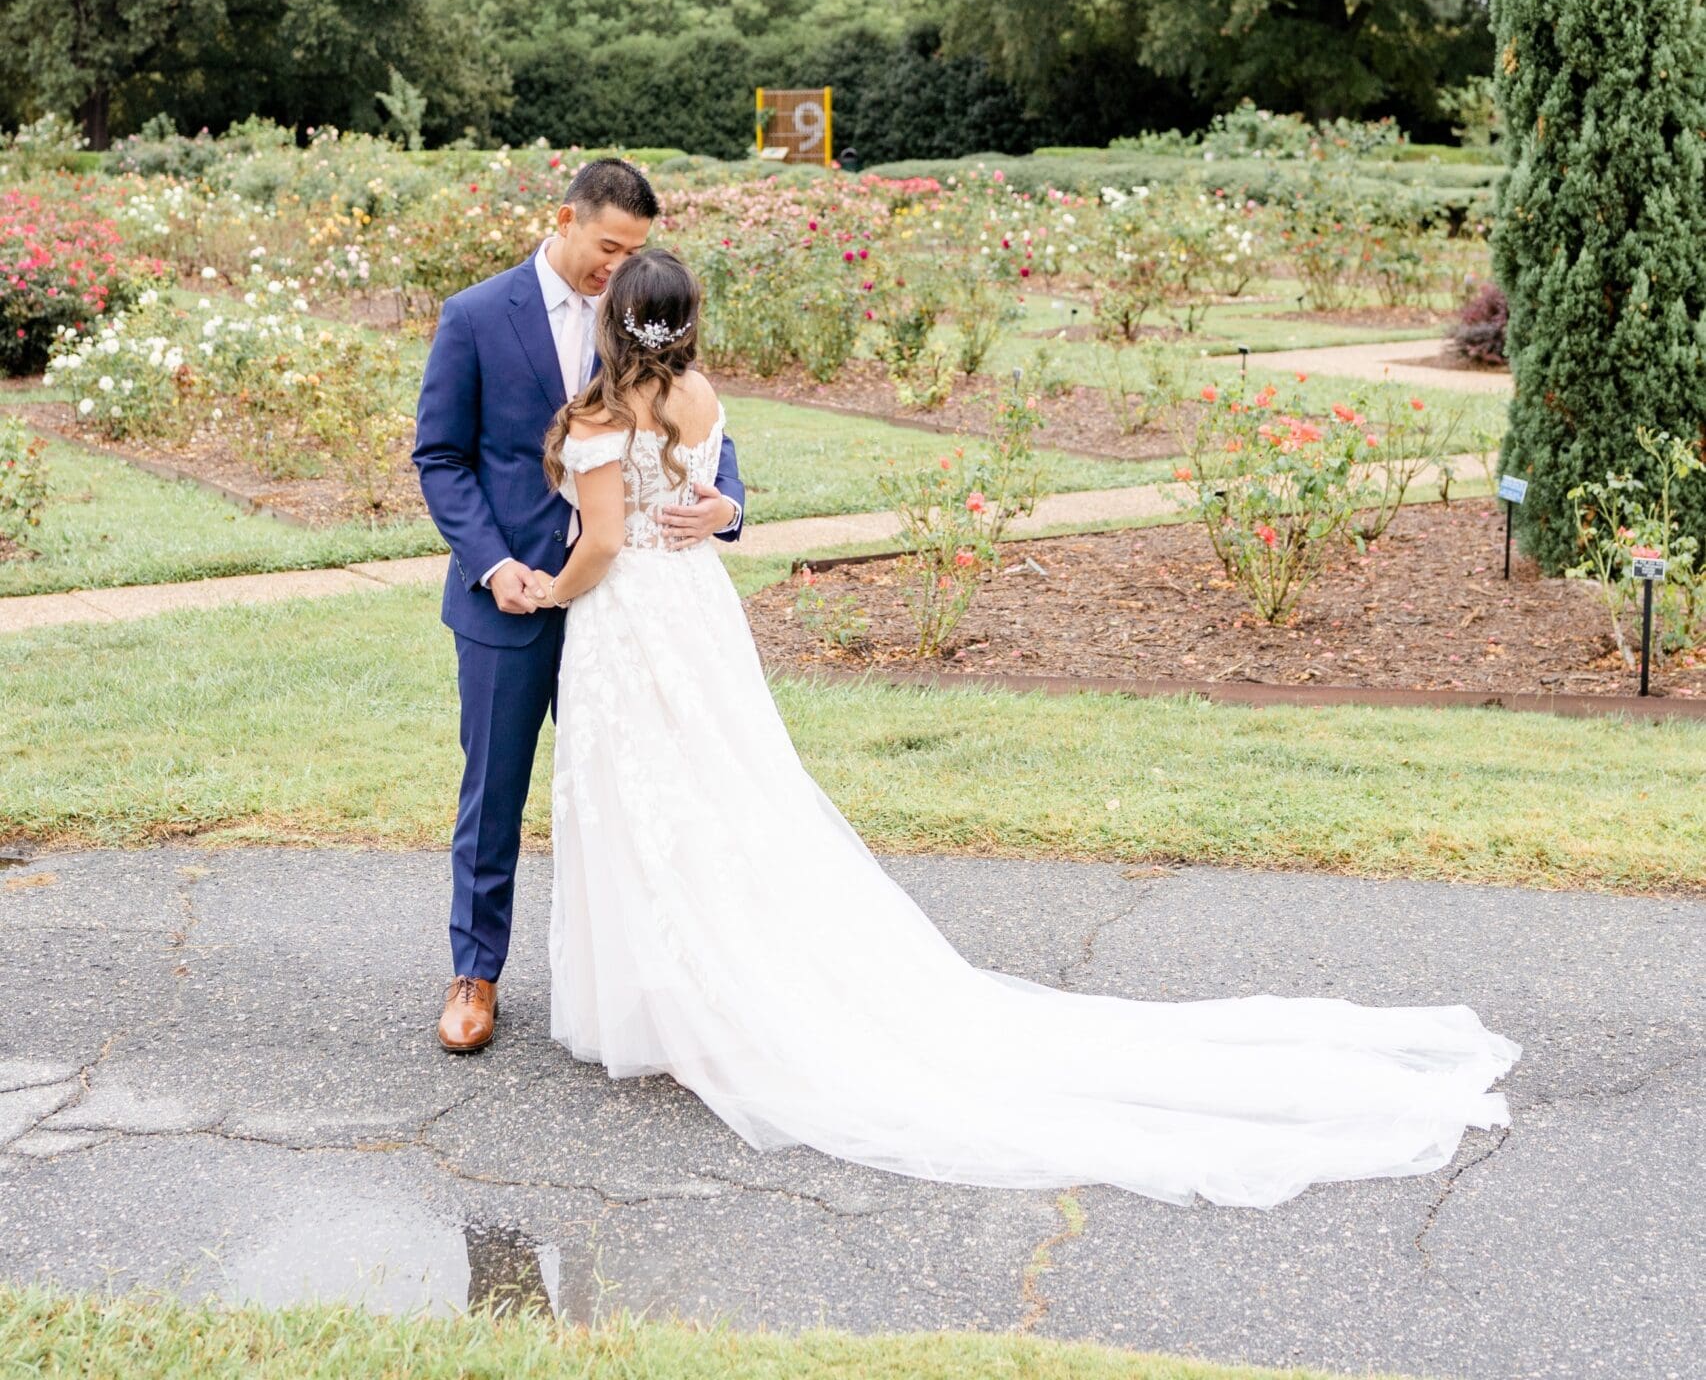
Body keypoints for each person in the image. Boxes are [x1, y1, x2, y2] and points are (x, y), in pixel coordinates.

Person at [530, 248, 1519, 1211]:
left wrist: (547, 591)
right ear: (687, 317)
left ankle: (679, 1002)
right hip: (697, 617)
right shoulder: (699, 396)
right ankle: (695, 988)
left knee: (646, 799)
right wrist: (721, 506)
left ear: (616, 320)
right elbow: (704, 494)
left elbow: (605, 538)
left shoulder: (607, 413)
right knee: (719, 797)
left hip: (632, 621)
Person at [412, 156, 747, 1053]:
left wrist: (729, 506)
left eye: (633, 251)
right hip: (513, 600)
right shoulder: (477, 316)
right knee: (494, 794)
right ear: (564, 219)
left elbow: (702, 429)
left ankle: (645, 984)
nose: (618, 266)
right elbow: (439, 457)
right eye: (608, 247)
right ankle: (475, 976)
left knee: (639, 794)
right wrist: (492, 566)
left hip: (630, 611)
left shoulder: (638, 307)